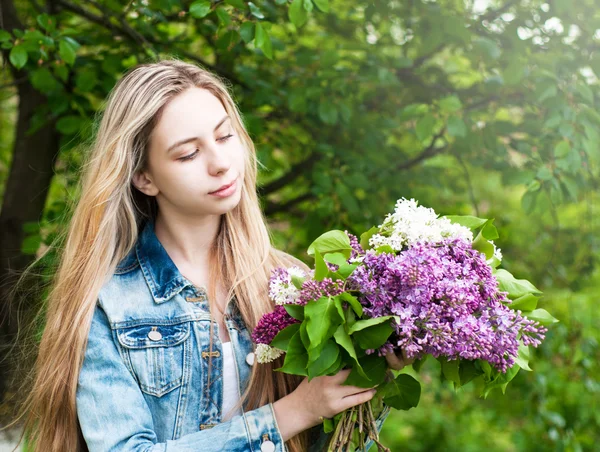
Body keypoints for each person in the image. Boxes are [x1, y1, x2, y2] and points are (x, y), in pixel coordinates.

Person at [9, 58, 412, 451]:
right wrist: (290, 414)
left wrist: (369, 368)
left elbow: (333, 442)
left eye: (224, 137)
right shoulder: (108, 302)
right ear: (144, 177)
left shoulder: (292, 284)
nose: (220, 164)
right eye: (188, 154)